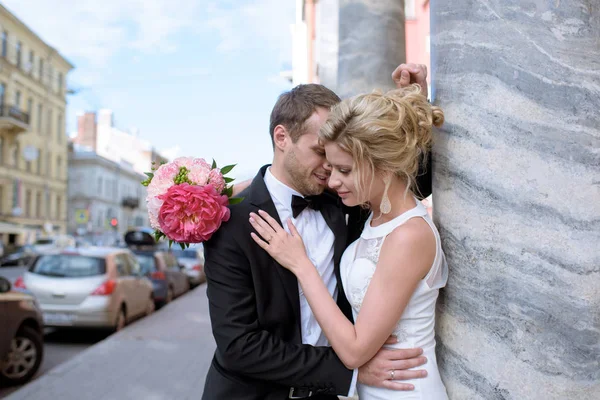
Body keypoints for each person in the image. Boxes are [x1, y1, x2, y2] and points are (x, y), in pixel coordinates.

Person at [202, 64, 431, 400]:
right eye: (320, 151)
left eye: (339, 155)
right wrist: (345, 372)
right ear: (282, 138)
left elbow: (411, 183)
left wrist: (417, 103)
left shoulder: (344, 199)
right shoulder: (230, 217)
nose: (330, 165)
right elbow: (239, 345)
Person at [249, 84, 448, 399]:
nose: (333, 180)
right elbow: (277, 181)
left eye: (344, 170)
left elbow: (355, 352)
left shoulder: (409, 235)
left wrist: (302, 265)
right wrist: (212, 190)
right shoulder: (371, 212)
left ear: (383, 165)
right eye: (330, 166)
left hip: (406, 389)